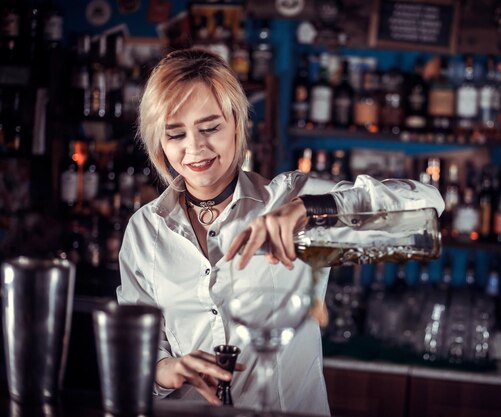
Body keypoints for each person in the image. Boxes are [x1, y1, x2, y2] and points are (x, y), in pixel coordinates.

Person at [117, 48, 444, 415]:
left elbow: (427, 205)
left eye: (210, 128)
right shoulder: (145, 230)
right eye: (175, 134)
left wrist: (310, 210)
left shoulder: (288, 198)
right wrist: (168, 369)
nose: (195, 147)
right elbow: (134, 350)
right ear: (159, 142)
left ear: (237, 124)